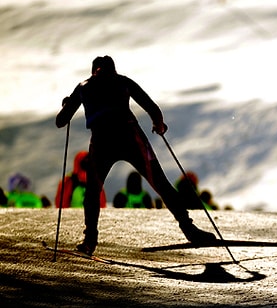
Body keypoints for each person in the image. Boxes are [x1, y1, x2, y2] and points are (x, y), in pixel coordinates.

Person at [55, 55, 216, 255]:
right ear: (113, 70)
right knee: (161, 183)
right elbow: (152, 108)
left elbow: (61, 121)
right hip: (130, 137)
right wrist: (159, 125)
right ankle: (190, 230)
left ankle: (90, 241)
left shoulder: (84, 87)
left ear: (93, 71)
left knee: (93, 192)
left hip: (102, 141)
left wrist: (67, 105)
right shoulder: (123, 81)